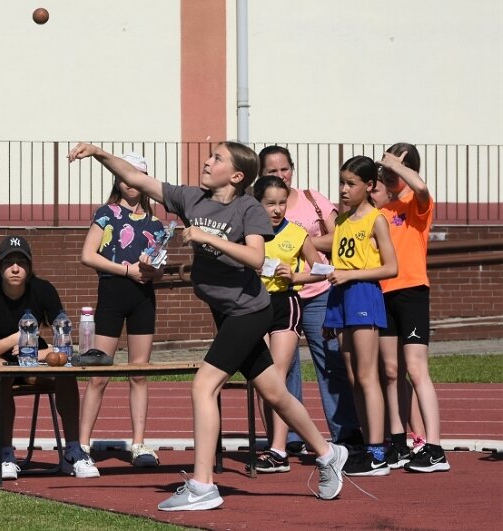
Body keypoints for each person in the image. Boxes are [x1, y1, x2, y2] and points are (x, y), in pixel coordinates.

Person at [69, 141, 348, 511]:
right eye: (209, 155)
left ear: (236, 175)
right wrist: (99, 153)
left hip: (250, 312)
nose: (206, 161)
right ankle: (330, 454)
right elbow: (137, 177)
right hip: (227, 313)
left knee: (203, 386)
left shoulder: (248, 207)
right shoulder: (191, 198)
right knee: (274, 392)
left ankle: (202, 486)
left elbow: (254, 257)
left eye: (216, 158)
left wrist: (207, 237)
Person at [0, 235, 100, 480]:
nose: (16, 268)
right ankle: (6, 454)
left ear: (29, 268)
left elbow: (63, 338)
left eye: (22, 262)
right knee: (3, 372)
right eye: (9, 262)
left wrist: (41, 352)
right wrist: (16, 339)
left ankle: (73, 451)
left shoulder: (43, 289)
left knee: (65, 373)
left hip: (31, 361)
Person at [258, 146, 363, 452]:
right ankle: (289, 438)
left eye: (284, 169)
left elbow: (338, 236)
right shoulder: (256, 209)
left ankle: (345, 432)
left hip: (316, 294)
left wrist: (300, 243)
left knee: (330, 361)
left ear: (292, 168)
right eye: (272, 171)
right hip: (275, 298)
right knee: (282, 368)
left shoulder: (311, 199)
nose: (280, 175)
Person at [78, 152, 165, 467]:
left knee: (138, 373)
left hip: (143, 298)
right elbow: (88, 255)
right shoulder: (107, 213)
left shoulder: (156, 224)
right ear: (118, 178)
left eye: (138, 174)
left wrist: (150, 270)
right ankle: (83, 445)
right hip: (113, 294)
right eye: (126, 174)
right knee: (99, 374)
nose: (131, 181)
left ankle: (139, 444)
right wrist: (126, 270)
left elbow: (159, 268)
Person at [377, 143, 450, 472]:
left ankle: (434, 448)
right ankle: (398, 442)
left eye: (396, 169)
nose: (390, 174)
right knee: (391, 372)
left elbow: (420, 186)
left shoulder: (417, 201)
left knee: (416, 368)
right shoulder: (384, 207)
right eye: (387, 169)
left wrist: (398, 165)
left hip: (412, 291)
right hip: (384, 293)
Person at [323, 156, 398, 477]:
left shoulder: (376, 220)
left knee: (368, 377)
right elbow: (335, 264)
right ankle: (369, 445)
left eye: (351, 183)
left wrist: (351, 276)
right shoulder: (342, 221)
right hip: (340, 298)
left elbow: (391, 267)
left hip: (363, 294)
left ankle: (379, 452)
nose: (343, 189)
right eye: (341, 182)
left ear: (368, 186)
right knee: (353, 377)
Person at [250, 175, 325, 473]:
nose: (277, 209)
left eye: (282, 203)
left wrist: (295, 277)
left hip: (285, 305)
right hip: (254, 306)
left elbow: (321, 269)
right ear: (257, 204)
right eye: (270, 203)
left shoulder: (297, 233)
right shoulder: (248, 233)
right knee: (261, 380)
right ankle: (272, 444)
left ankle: (278, 452)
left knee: (277, 379)